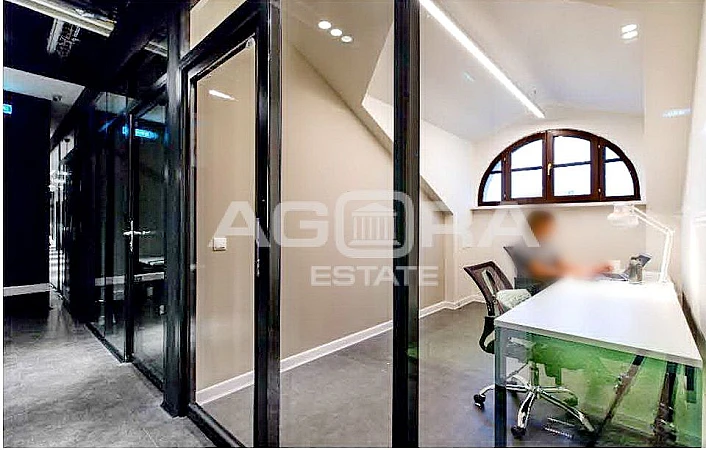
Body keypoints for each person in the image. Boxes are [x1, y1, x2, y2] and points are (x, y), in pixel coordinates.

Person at [511, 210, 611, 291]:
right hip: (532, 289)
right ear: (534, 226)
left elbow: (563, 265)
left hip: (549, 285)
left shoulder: (547, 245)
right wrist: (575, 273)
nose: (550, 229)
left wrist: (592, 270)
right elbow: (539, 272)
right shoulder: (522, 246)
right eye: (546, 226)